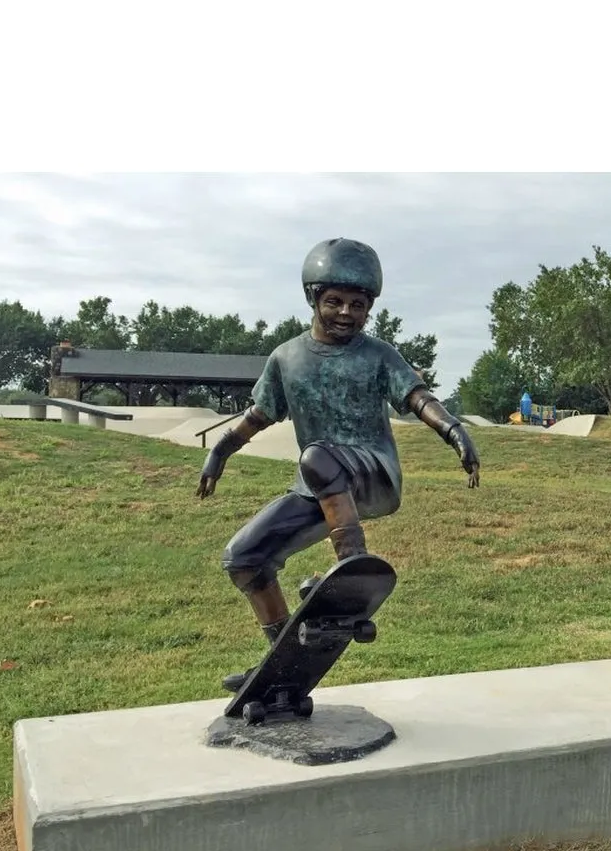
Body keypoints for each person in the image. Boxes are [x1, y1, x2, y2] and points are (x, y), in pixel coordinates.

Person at [196, 237, 480, 690]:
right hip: (316, 487)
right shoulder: (286, 358)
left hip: (371, 474)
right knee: (243, 557)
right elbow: (258, 416)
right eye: (334, 302)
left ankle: (354, 570)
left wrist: (452, 430)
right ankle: (282, 657)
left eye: (357, 305)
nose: (346, 312)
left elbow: (417, 397)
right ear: (313, 299)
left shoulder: (378, 356)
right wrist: (220, 450)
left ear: (369, 308)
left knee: (318, 456)